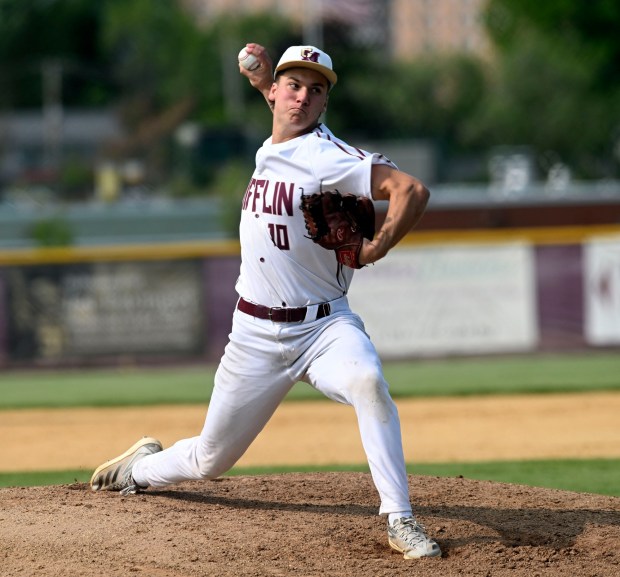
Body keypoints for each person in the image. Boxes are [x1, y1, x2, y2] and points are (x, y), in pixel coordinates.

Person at [90, 43, 441, 560]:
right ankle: (138, 469)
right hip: (253, 334)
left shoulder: (329, 157)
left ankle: (399, 518)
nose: (302, 96)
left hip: (324, 329)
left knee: (367, 381)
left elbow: (411, 190)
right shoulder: (275, 141)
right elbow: (283, 114)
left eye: (316, 90)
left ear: (325, 104)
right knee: (210, 460)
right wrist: (259, 78)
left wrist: (374, 247)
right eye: (293, 85)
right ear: (274, 93)